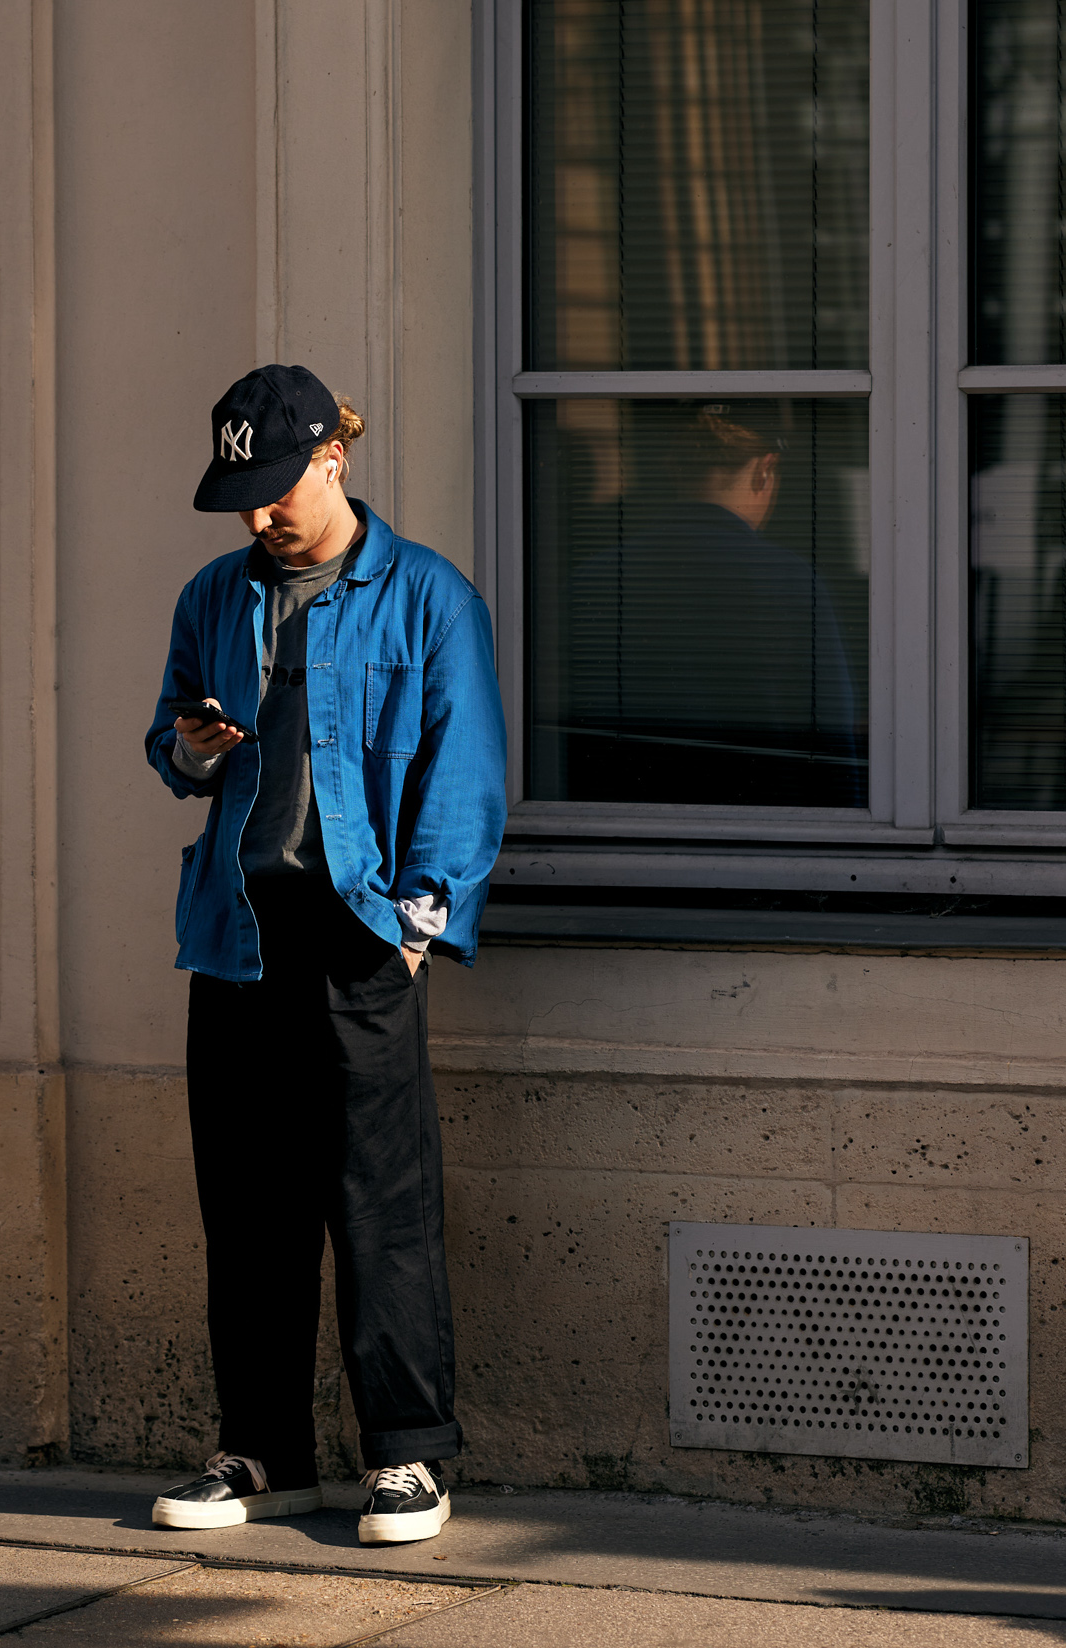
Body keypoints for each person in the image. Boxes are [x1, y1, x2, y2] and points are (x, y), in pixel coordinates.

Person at [144, 364, 507, 1543]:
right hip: (235, 939)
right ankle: (262, 1455)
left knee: (379, 1206)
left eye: (272, 486)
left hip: (359, 938)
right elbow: (169, 746)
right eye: (239, 493)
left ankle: (408, 1457)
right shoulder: (212, 596)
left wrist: (416, 925)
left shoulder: (427, 597)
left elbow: (466, 773)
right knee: (246, 1210)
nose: (258, 514)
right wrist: (196, 746)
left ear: (331, 458)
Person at [564, 402, 861, 805]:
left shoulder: (595, 578)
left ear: (676, 469)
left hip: (627, 817)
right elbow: (833, 739)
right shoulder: (791, 582)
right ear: (764, 469)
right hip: (771, 820)